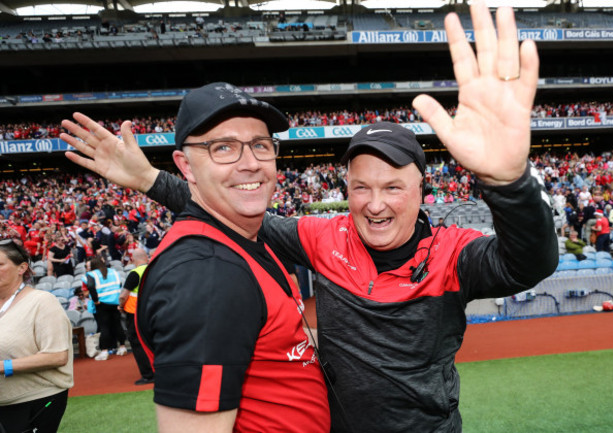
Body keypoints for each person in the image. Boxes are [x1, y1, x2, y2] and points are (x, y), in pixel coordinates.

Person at [61, 2, 557, 431]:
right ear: (345, 190)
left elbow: (528, 263)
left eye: (392, 187)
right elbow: (239, 214)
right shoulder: (324, 236)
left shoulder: (453, 252)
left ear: (421, 190)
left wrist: (507, 180)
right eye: (360, 186)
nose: (375, 202)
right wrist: (149, 179)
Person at [63, 83, 330, 432]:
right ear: (185, 166)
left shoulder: (245, 239)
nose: (250, 164)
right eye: (223, 148)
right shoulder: (207, 276)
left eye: (261, 145)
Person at [0, 239, 73, 433]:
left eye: (0, 264)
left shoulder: (42, 302)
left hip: (36, 400)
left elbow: (57, 356)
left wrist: (3, 366)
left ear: (21, 268)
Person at [118, 248, 154, 385]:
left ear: (132, 259)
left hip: (135, 313)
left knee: (137, 343)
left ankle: (148, 375)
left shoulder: (134, 273)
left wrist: (121, 306)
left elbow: (123, 296)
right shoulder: (154, 270)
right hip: (153, 312)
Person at [82, 256, 128, 361]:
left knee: (104, 327)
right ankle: (122, 347)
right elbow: (119, 284)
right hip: (115, 302)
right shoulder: (113, 272)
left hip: (102, 303)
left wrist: (95, 300)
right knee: (117, 325)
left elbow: (90, 286)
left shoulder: (91, 274)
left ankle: (104, 351)